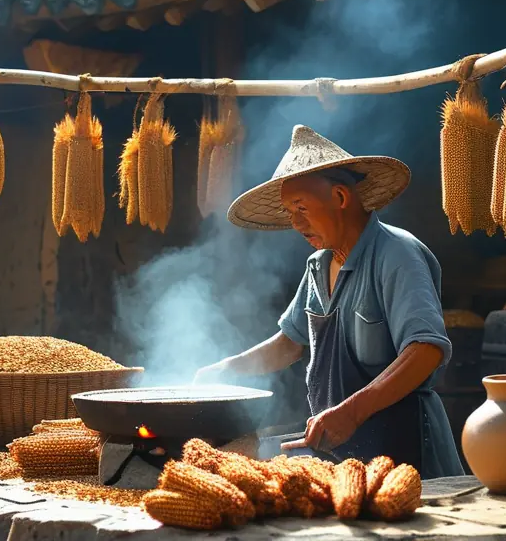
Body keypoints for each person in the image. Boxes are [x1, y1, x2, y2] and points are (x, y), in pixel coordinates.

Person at [194, 125, 464, 479]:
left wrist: (351, 412)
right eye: (289, 210)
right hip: (343, 457)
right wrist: (224, 370)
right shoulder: (318, 265)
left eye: (301, 207)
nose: (295, 222)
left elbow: (426, 349)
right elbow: (289, 343)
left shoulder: (397, 254)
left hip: (406, 455)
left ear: (340, 197)